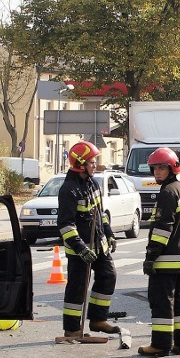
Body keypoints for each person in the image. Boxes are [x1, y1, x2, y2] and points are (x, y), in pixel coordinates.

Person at [56, 141, 119, 338]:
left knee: (108, 275)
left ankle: (98, 319)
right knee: (77, 288)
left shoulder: (93, 183)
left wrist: (109, 233)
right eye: (92, 162)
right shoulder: (69, 190)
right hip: (79, 251)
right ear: (81, 164)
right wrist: (81, 249)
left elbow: (101, 214)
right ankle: (72, 329)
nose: (95, 165)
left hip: (99, 246)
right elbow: (66, 225)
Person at [139, 147, 180, 356]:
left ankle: (160, 345)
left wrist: (151, 256)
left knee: (162, 302)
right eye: (155, 168)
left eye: (162, 168)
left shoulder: (168, 193)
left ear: (172, 168)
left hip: (166, 260)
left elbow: (163, 229)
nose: (157, 173)